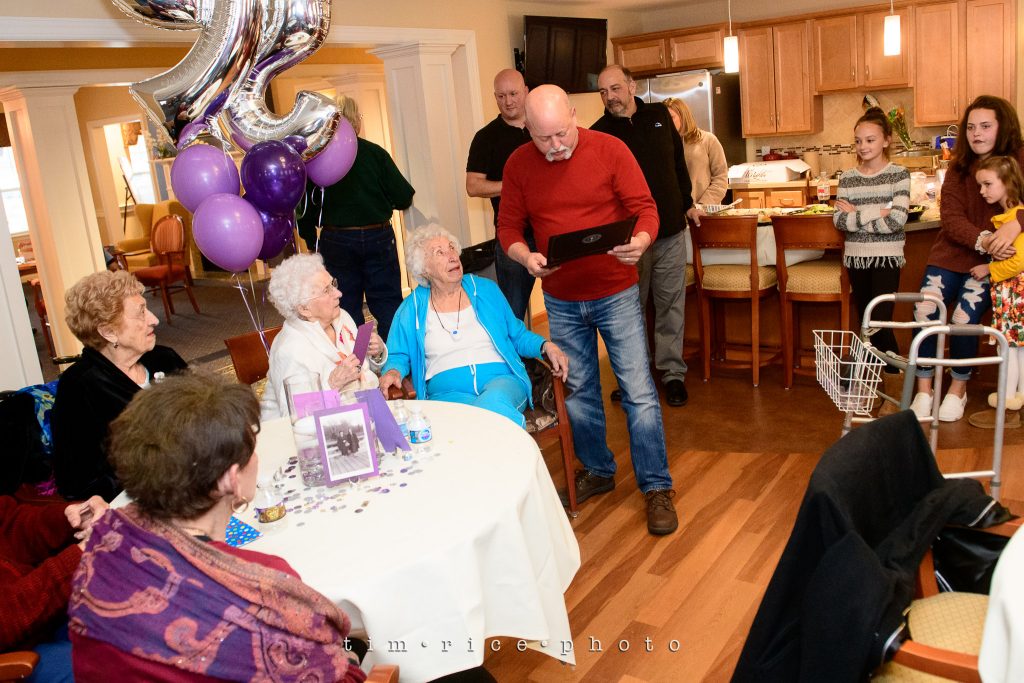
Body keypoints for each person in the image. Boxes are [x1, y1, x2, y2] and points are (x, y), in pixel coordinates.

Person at [68, 373, 367, 683]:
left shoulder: (105, 542)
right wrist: (351, 658)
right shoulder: (263, 586)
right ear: (229, 479)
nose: (256, 458)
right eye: (251, 450)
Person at [497, 84, 679, 535]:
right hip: (560, 299)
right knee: (577, 392)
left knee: (638, 392)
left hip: (616, 291)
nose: (556, 145)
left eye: (562, 133)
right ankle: (598, 469)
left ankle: (657, 486)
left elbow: (646, 209)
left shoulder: (611, 150)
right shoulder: (518, 164)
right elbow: (508, 227)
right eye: (543, 138)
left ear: (575, 115)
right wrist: (526, 257)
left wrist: (641, 241)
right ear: (527, 130)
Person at [379, 225, 568, 427]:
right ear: (424, 269)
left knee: (490, 407)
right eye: (439, 252)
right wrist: (393, 371)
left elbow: (517, 334)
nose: (452, 256)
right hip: (447, 393)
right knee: (477, 419)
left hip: (501, 381)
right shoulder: (412, 308)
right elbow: (398, 354)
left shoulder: (485, 289)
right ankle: (513, 445)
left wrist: (545, 345)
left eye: (452, 247)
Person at [911, 95, 1024, 422]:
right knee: (925, 309)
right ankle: (923, 390)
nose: (977, 134)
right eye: (971, 127)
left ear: (1003, 127)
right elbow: (951, 218)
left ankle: (957, 390)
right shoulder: (958, 166)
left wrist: (1017, 222)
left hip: (995, 263)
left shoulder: (1019, 158)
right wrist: (986, 240)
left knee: (964, 318)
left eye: (985, 126)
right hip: (952, 253)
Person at [591, 65, 694, 408]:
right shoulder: (599, 134)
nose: (610, 97)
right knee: (630, 311)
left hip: (670, 232)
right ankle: (633, 378)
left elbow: (678, 164)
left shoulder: (660, 116)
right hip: (628, 242)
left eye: (615, 88)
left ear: (632, 86)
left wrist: (687, 204)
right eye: (603, 92)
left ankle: (672, 374)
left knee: (670, 305)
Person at [51, 270, 187, 502]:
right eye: (141, 313)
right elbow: (78, 481)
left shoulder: (165, 358)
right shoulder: (80, 387)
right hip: (142, 501)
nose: (154, 319)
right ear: (109, 332)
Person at [297, 95, 414, 341]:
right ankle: (393, 357)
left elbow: (305, 206)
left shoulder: (316, 156)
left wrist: (310, 241)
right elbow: (404, 197)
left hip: (336, 238)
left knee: (345, 306)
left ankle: (357, 357)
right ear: (356, 122)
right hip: (378, 235)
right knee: (388, 303)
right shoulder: (374, 153)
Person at [833, 107, 911, 418]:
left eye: (870, 140)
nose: (863, 146)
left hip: (886, 257)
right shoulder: (848, 177)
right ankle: (884, 388)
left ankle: (896, 392)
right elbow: (840, 221)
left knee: (879, 323)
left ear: (886, 140)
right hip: (856, 258)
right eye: (858, 141)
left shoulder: (899, 174)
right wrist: (878, 212)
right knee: (866, 324)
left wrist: (858, 215)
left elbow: (898, 220)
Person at [263, 252, 386, 419]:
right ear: (304, 309)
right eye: (326, 290)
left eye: (333, 284)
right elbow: (296, 418)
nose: (338, 293)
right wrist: (332, 385)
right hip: (323, 429)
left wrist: (376, 353)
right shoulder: (290, 350)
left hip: (361, 413)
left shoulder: (342, 317)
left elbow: (361, 369)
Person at [0, 494, 107, 683]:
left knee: (137, 621)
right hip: (16, 655)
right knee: (106, 668)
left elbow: (12, 524)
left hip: (43, 613)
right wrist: (79, 555)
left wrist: (69, 518)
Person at [466, 68, 536, 321]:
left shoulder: (542, 126)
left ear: (526, 91)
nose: (508, 101)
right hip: (513, 236)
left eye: (514, 94)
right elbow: (473, 186)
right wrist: (513, 185)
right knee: (512, 313)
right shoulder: (486, 137)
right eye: (501, 96)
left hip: (552, 230)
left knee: (565, 305)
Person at [967, 155, 1024, 427]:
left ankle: (1007, 398)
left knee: (1009, 347)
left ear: (1007, 183)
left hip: (1015, 295)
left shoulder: (1014, 218)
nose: (982, 191)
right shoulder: (1009, 218)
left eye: (988, 184)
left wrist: (989, 269)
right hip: (1013, 294)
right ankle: (1017, 395)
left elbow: (1018, 261)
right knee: (1018, 348)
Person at [663, 96, 728, 206]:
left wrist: (703, 205)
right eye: (664, 119)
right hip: (673, 211)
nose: (667, 123)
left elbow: (720, 178)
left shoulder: (708, 140)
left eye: (671, 118)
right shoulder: (662, 145)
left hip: (703, 210)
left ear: (683, 116)